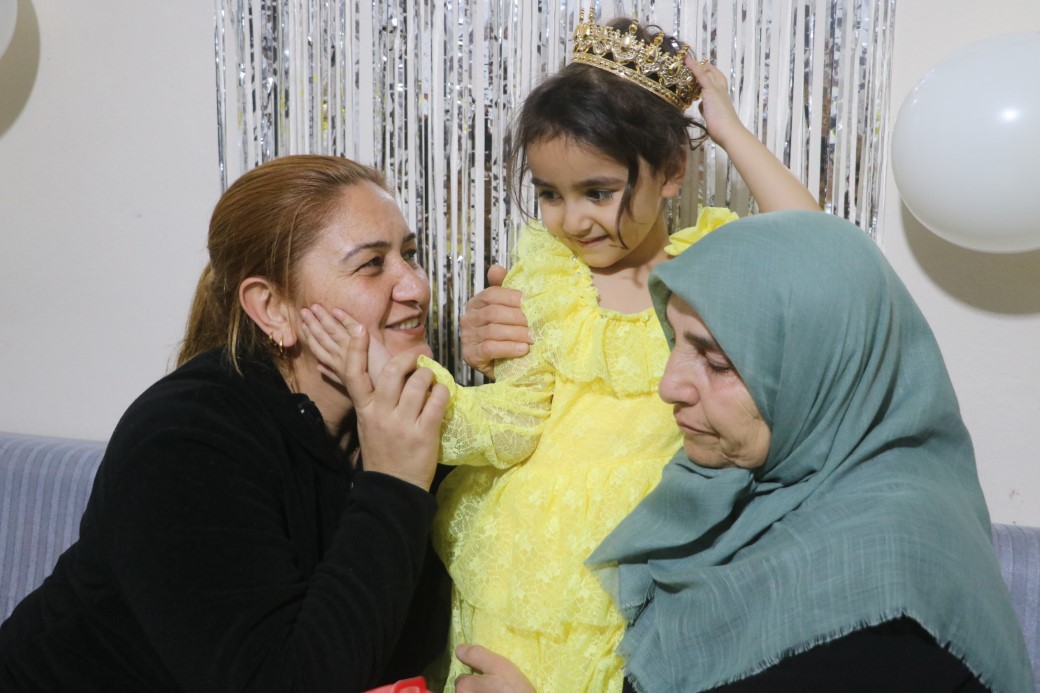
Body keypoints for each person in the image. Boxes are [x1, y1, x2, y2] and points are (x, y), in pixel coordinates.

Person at [304, 12, 817, 693]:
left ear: (670, 171)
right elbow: (514, 418)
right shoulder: (545, 280)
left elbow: (816, 246)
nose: (573, 219)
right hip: (517, 565)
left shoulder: (709, 271)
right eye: (550, 194)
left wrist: (727, 127)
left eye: (599, 192)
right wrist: (408, 387)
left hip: (636, 569)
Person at [0, 155, 455, 693]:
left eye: (410, 255)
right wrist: (394, 483)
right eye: (372, 265)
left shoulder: (400, 417)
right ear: (272, 309)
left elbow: (400, 643)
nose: (416, 288)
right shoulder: (183, 440)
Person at [584, 210, 1034, 692]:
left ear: (817, 370)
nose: (669, 386)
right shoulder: (760, 483)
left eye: (717, 362)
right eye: (674, 343)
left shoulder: (881, 598)